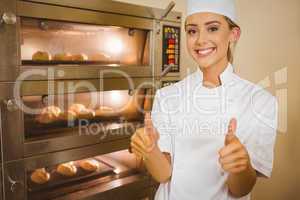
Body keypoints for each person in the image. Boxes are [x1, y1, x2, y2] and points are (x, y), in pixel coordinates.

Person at [130, 0, 278, 199]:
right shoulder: (167, 96)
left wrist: (241, 166)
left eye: (213, 28)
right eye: (192, 31)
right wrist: (150, 150)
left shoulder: (261, 102)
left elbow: (241, 189)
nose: (200, 40)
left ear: (234, 34)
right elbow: (163, 174)